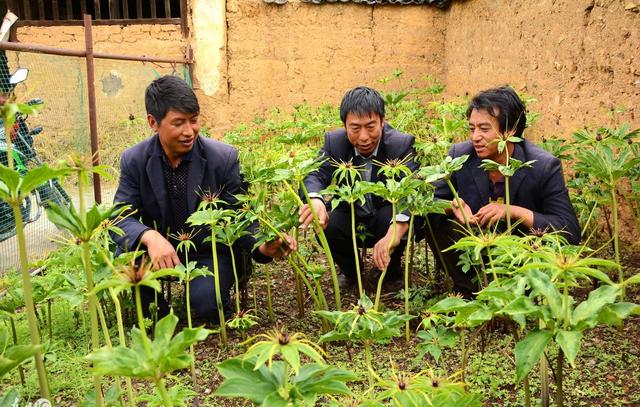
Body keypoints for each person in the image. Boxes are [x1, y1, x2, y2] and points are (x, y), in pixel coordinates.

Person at [113, 75, 295, 323]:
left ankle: (217, 288)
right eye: (178, 123)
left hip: (207, 253)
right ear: (153, 122)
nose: (190, 131)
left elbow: (240, 218)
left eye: (194, 120)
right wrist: (150, 236)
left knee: (208, 306)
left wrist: (263, 248)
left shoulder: (223, 158)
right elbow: (120, 217)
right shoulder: (134, 160)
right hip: (157, 251)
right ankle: (158, 313)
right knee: (124, 259)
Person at [429, 86, 580, 298]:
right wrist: (452, 206)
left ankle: (525, 294)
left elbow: (570, 230)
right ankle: (469, 292)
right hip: (476, 247)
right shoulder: (460, 155)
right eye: (472, 129)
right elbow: (428, 202)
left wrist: (514, 211)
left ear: (509, 131)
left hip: (524, 253)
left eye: (484, 128)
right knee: (435, 221)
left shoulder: (543, 165)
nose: (475, 137)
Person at [299, 86, 418, 291]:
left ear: (382, 120)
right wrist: (315, 200)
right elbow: (315, 174)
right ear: (344, 125)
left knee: (393, 217)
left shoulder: (400, 144)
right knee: (329, 223)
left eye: (371, 127)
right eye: (355, 128)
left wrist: (395, 230)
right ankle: (351, 272)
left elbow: (413, 189)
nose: (363, 137)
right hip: (351, 214)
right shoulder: (334, 143)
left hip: (384, 215)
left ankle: (390, 273)